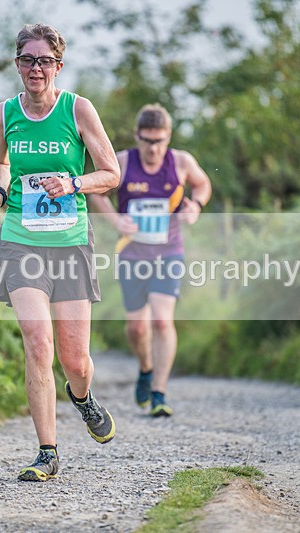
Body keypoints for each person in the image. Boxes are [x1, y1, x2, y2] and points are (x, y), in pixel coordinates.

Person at [0, 23, 120, 482]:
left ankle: (82, 397)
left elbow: (111, 172)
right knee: (38, 342)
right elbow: (1, 159)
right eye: (27, 60)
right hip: (21, 239)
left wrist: (73, 182)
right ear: (17, 63)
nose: (35, 68)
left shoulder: (78, 110)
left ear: (59, 65)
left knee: (75, 361)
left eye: (44, 61)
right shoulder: (3, 113)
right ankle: (47, 451)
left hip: (70, 241)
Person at [88, 103, 212, 417]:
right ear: (137, 136)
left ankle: (159, 393)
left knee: (161, 319)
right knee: (136, 329)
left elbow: (203, 184)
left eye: (159, 140)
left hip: (169, 251)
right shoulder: (124, 162)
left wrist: (195, 206)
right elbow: (98, 193)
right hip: (132, 253)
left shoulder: (181, 161)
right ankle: (145, 367)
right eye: (146, 140)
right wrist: (116, 221)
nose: (153, 148)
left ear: (168, 137)